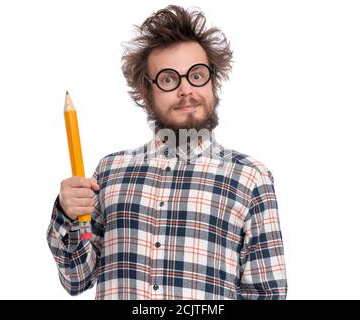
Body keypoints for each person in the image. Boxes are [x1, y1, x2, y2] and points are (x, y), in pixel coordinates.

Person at [47, 5, 287, 300]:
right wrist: (66, 215)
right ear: (146, 92)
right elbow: (76, 280)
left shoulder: (250, 178)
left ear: (213, 81)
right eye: (169, 79)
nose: (186, 89)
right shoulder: (109, 172)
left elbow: (266, 295)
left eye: (197, 75)